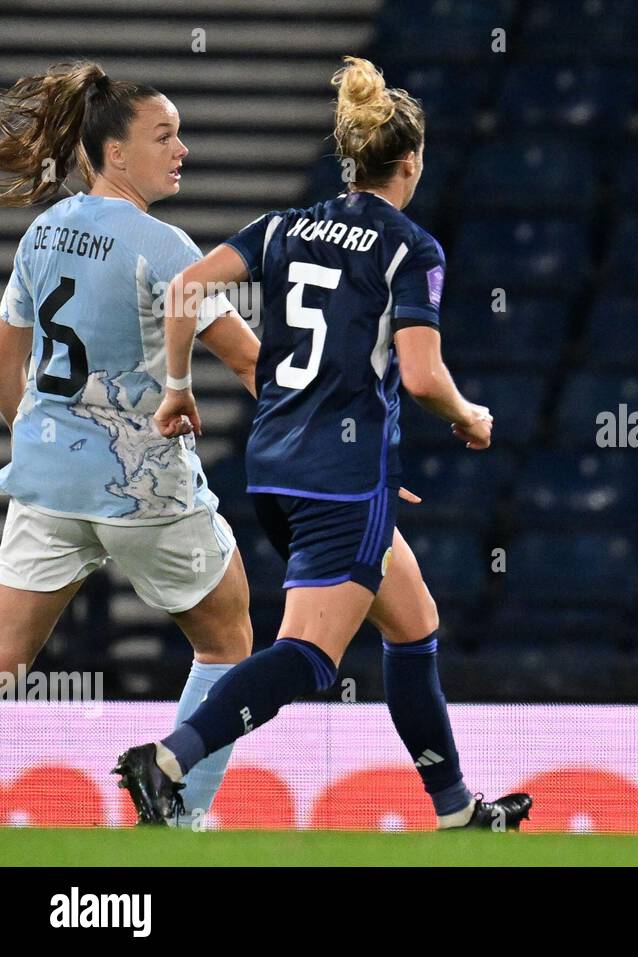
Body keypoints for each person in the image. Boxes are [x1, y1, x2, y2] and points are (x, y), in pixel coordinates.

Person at [114, 57, 531, 830]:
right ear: (411, 163)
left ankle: (453, 808)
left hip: (274, 468)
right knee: (309, 656)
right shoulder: (410, 247)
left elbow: (183, 289)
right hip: (340, 482)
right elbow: (419, 373)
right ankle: (167, 760)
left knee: (414, 623)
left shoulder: (283, 224)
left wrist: (178, 385)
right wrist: (469, 415)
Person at [0, 61, 260, 827]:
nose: (181, 148)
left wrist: (45, 434)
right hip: (140, 488)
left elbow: (4, 359)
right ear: (116, 154)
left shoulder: (44, 231)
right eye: (164, 135)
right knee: (228, 637)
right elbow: (247, 359)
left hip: (43, 484)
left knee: (6, 661)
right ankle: (183, 811)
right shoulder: (164, 244)